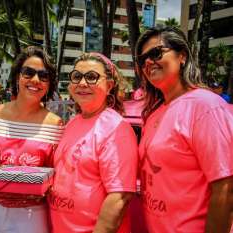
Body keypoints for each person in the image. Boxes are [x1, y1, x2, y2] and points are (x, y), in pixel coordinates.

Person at [134, 26, 233, 233]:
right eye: (143, 60)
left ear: (182, 56)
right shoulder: (154, 113)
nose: (148, 62)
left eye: (156, 53)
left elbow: (225, 187)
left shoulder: (206, 107)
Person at [0, 46, 64, 233]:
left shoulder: (55, 124)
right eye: (28, 72)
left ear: (49, 84)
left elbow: (57, 174)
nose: (35, 80)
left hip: (31, 214)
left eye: (43, 76)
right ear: (17, 76)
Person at [49, 52, 138, 233]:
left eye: (91, 77)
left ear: (109, 86)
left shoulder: (116, 128)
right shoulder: (73, 122)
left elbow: (119, 197)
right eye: (76, 76)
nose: (82, 83)